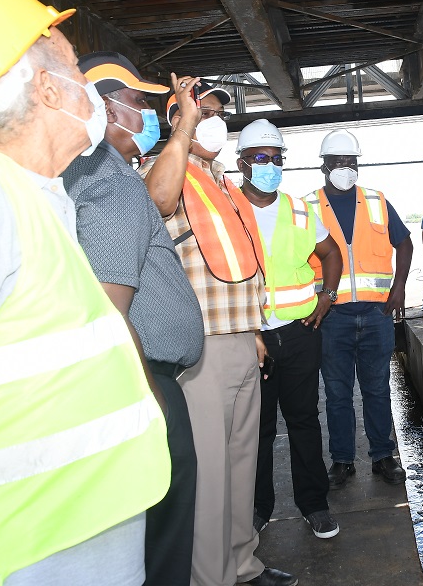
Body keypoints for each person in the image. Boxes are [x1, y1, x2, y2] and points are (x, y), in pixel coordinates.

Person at [0, 0, 170, 586]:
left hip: (75, 535)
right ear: (47, 87)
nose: (85, 83)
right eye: (75, 66)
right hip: (19, 554)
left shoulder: (39, 195)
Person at [140, 93, 297, 586]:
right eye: (202, 112)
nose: (214, 121)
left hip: (240, 339)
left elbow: (239, 262)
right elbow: (156, 200)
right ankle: (212, 578)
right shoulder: (166, 169)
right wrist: (182, 132)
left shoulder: (223, 182)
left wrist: (252, 328)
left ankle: (243, 564)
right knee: (209, 475)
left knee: (240, 464)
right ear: (179, 119)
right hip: (203, 348)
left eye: (215, 113)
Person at [62, 52, 203, 586]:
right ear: (102, 107)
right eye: (137, 104)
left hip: (140, 375)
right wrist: (150, 398)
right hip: (143, 381)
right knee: (162, 540)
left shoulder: (100, 171)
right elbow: (109, 308)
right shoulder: (103, 173)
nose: (146, 116)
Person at [232, 120, 345, 540]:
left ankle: (314, 504)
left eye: (276, 158)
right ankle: (258, 509)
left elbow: (331, 252)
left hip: (298, 334)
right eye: (260, 157)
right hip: (250, 337)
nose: (270, 165)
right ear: (241, 163)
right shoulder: (227, 210)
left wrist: (327, 297)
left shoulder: (300, 209)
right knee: (256, 429)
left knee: (303, 421)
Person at [304, 130, 412, 489]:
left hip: (376, 315)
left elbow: (405, 242)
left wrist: (398, 286)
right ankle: (342, 461)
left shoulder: (377, 201)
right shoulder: (306, 207)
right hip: (332, 319)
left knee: (378, 389)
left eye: (351, 163)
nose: (345, 169)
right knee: (336, 393)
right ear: (323, 167)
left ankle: (383, 456)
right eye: (337, 163)